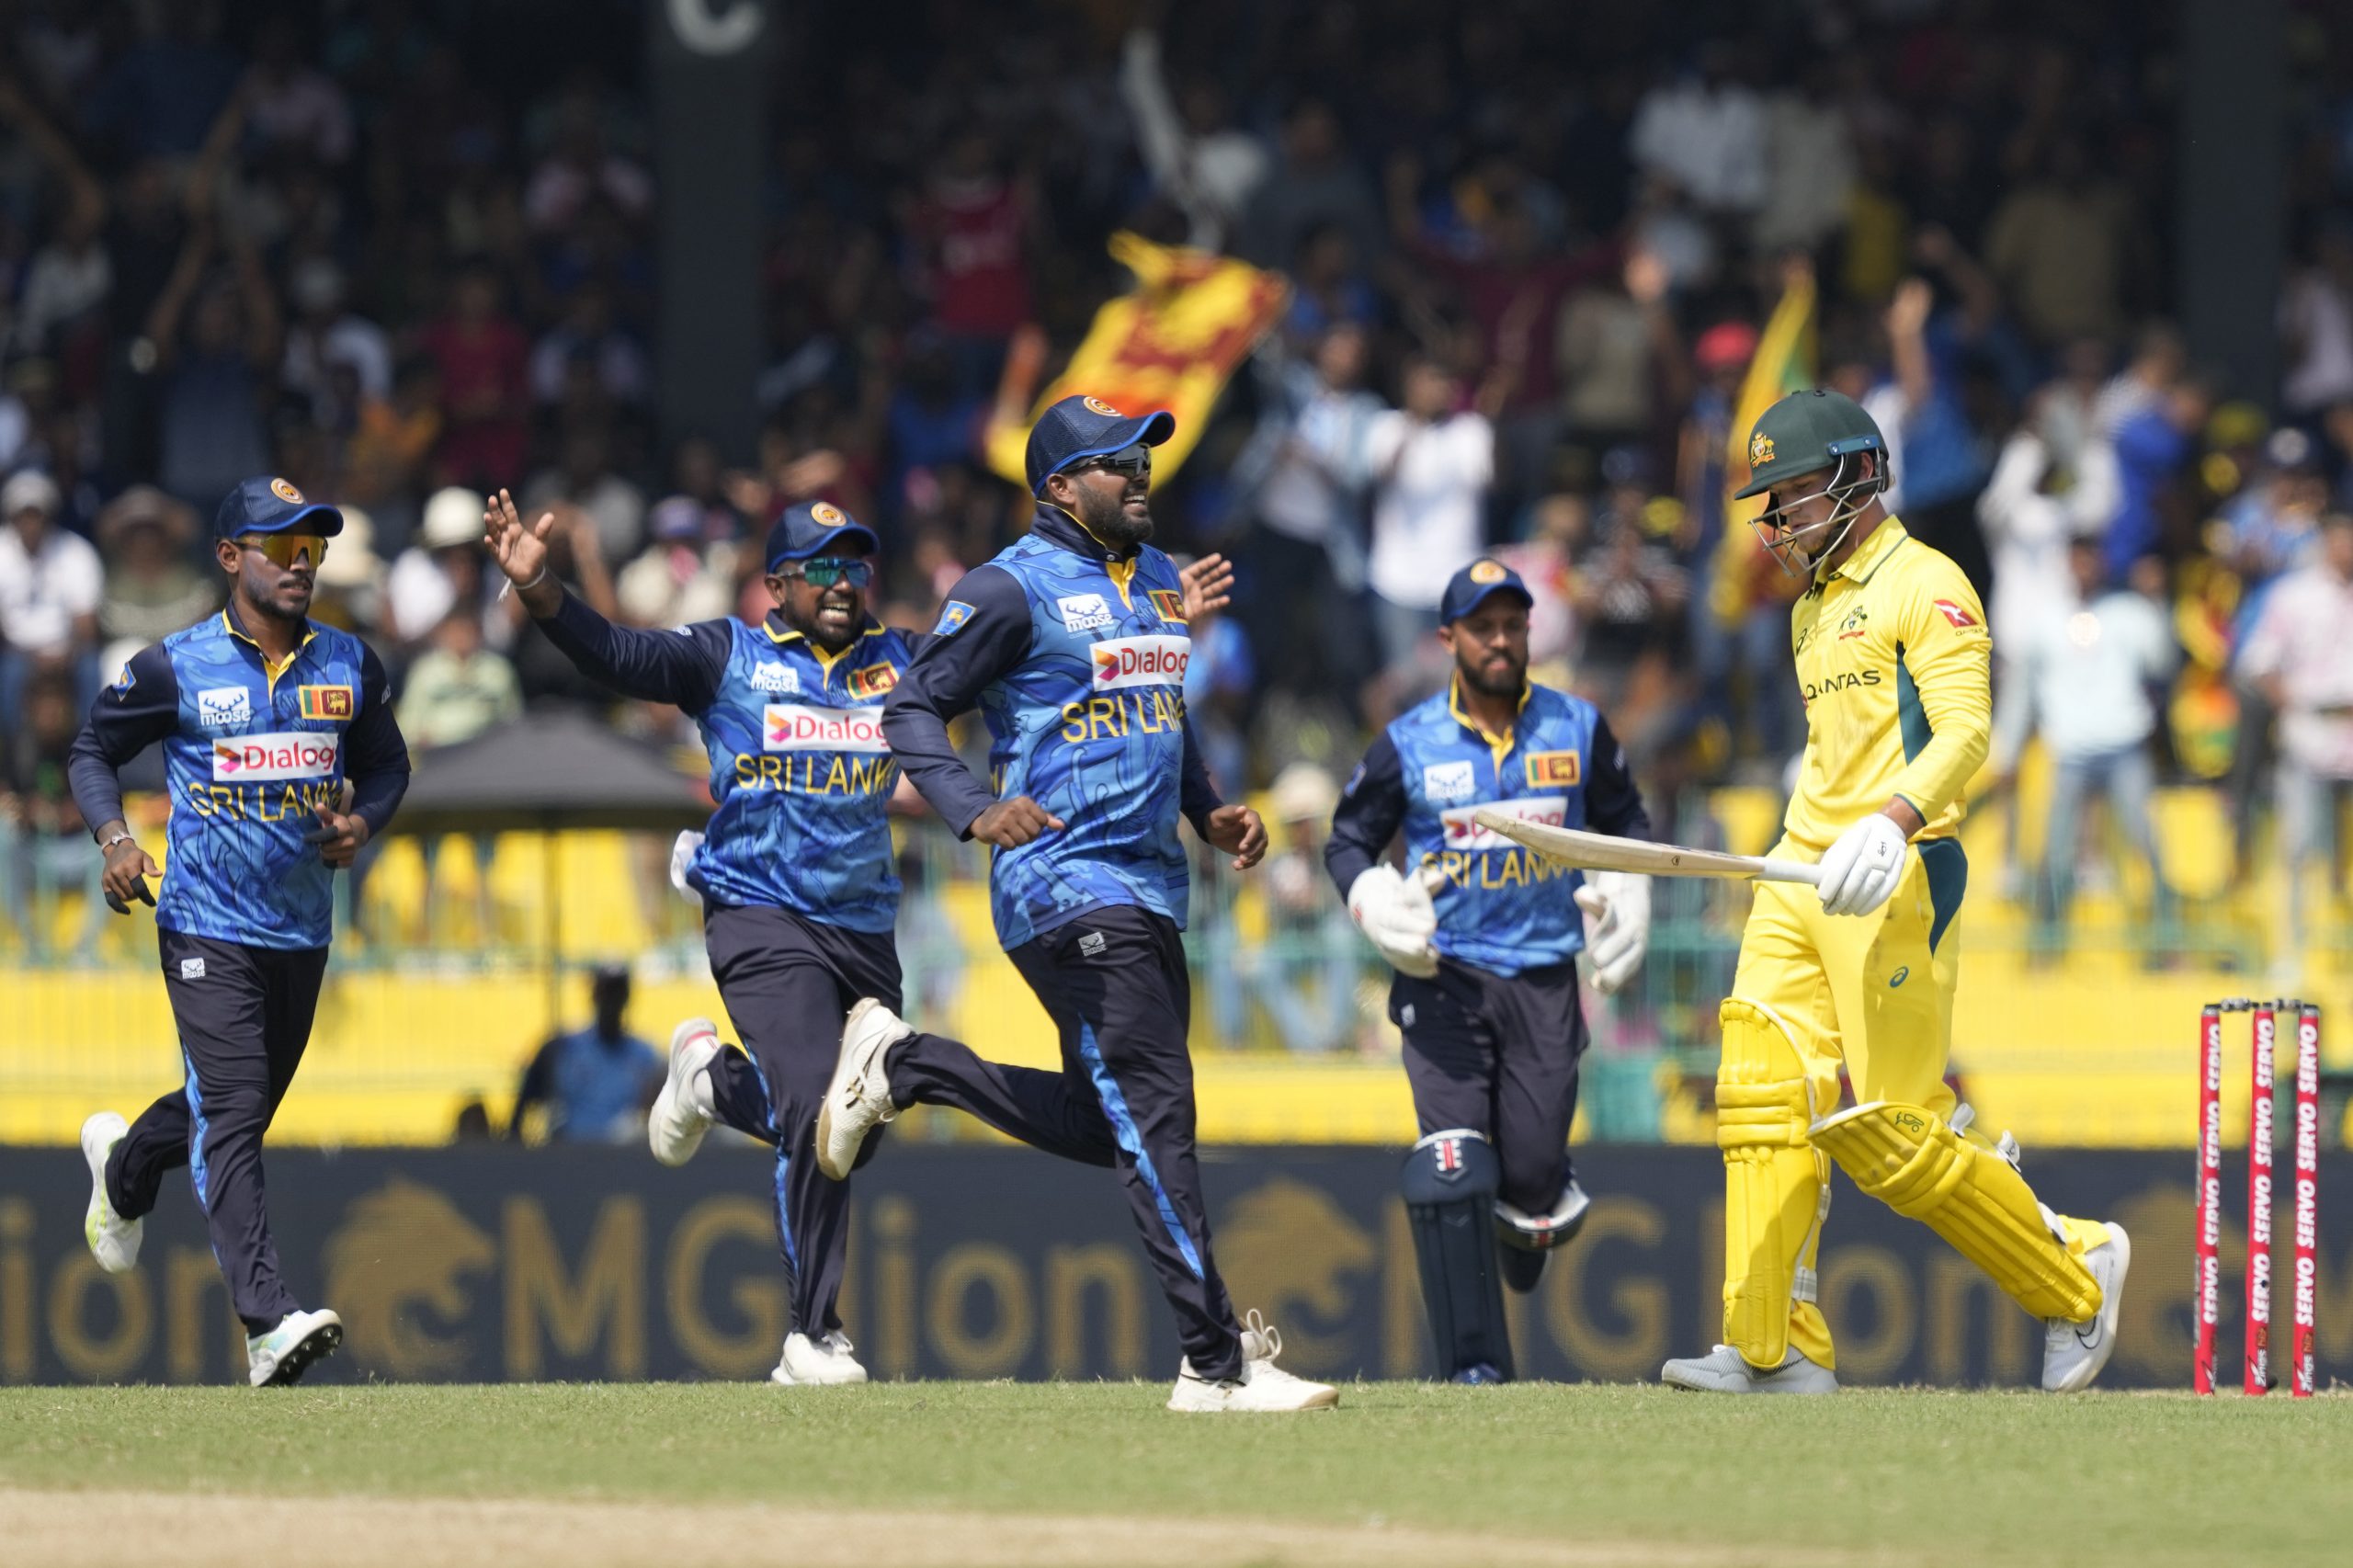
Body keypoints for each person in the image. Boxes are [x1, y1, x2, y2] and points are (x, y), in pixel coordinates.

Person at [485, 485, 1230, 1383]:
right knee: (810, 1101)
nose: (843, 583)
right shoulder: (731, 653)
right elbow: (619, 653)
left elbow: (1029, 660)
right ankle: (812, 1333)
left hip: (864, 928)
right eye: (821, 568)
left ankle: (714, 1081)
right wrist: (542, 593)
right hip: (759, 911)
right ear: (776, 584)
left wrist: (1143, 627)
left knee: (852, 1130)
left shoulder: (901, 660)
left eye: (856, 565)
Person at [823, 394, 1338, 1413]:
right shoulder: (1008, 588)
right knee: (1158, 1109)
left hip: (1149, 880)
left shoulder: (1153, 579)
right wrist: (972, 807)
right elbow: (910, 705)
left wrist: (1206, 809)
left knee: (1121, 1124)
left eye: (1143, 457)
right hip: (1062, 879)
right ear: (1059, 487)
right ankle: (1215, 1360)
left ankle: (903, 1061)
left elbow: (1157, 709)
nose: (1138, 474)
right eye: (1115, 463)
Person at [1659, 391, 2130, 1395]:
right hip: (1800, 867)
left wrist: (1893, 821)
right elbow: (1831, 753)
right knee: (1757, 1087)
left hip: (1894, 869)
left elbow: (1967, 734)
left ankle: (2072, 1268)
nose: (1778, 519)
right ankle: (1771, 1348)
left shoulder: (1930, 580)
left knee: (1890, 1130)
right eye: (1771, 499)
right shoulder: (1808, 608)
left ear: (1857, 476)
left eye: (1793, 493)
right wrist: (1814, 825)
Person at [67, 476, 410, 1387]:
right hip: (203, 925)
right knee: (233, 1109)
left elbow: (387, 764)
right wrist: (115, 839)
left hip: (300, 932)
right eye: (280, 547)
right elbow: (91, 749)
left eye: (312, 548)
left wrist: (362, 825)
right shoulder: (174, 666)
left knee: (231, 1108)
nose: (300, 564)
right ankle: (267, 1321)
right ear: (230, 558)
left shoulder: (349, 665)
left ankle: (125, 1167)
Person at [1324, 558, 1654, 1382]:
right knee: (1454, 1161)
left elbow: (1627, 821)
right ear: (1449, 641)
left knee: (1533, 1176)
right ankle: (1475, 1367)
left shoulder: (1578, 727)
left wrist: (1630, 889)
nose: (1500, 641)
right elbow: (1347, 839)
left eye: (1513, 625)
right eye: (1482, 627)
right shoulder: (1408, 742)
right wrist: (1371, 898)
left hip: (1545, 978)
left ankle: (1531, 1208)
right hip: (1444, 977)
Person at [1990, 538, 2177, 949]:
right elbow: (2023, 691)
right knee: (2055, 851)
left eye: (2092, 557)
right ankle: (2048, 945)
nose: (2085, 567)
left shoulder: (2129, 612)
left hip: (2124, 744)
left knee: (2146, 843)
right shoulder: (2045, 621)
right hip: (2070, 749)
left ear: (2103, 561)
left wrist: (2158, 603)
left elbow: (2162, 662)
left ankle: (2165, 942)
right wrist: (2008, 749)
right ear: (2067, 564)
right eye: (2077, 558)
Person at [2237, 512, 2353, 978]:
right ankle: (2293, 953)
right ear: (2326, 541)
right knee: (2301, 850)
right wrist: (2297, 707)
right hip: (2311, 735)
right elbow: (2259, 664)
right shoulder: (2294, 595)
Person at [506, 965, 664, 1143]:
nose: (611, 1002)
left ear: (626, 998)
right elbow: (523, 1105)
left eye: (616, 994)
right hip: (569, 1154)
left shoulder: (646, 1057)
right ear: (594, 995)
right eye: (605, 993)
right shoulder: (562, 1048)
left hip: (623, 1158)